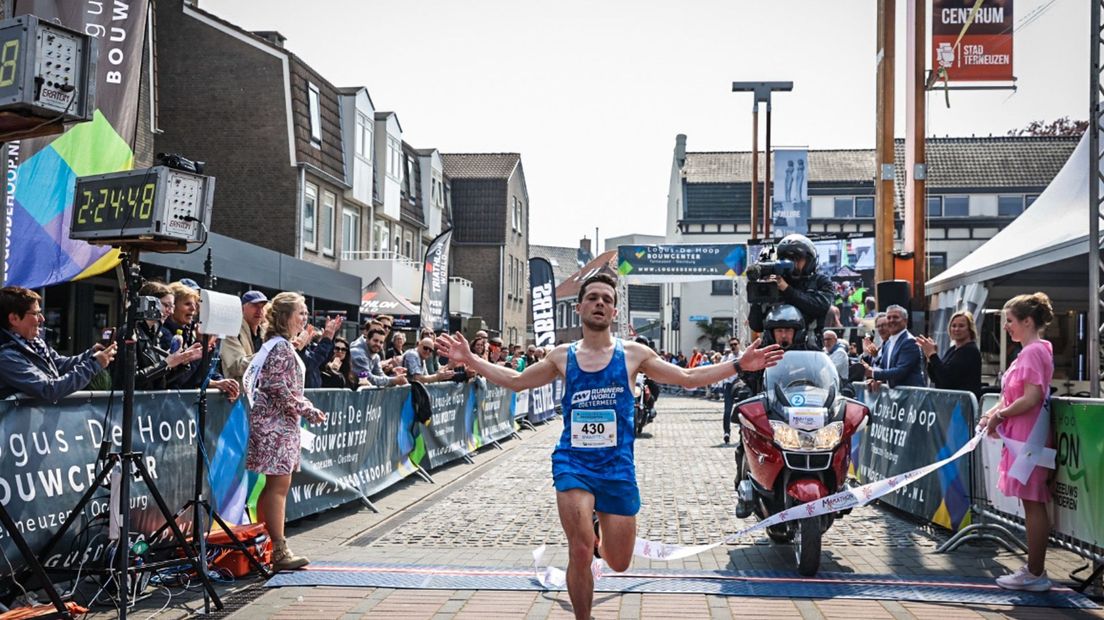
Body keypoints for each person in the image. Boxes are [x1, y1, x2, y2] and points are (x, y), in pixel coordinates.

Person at [436, 273, 783, 620]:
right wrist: (470, 359)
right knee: (581, 550)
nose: (600, 303)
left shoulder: (633, 355)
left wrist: (739, 365)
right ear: (579, 307)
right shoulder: (562, 356)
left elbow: (688, 378)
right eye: (593, 298)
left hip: (617, 467)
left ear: (614, 311)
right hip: (574, 463)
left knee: (618, 562)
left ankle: (599, 524)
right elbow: (515, 382)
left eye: (606, 299)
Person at [243, 292, 327, 571]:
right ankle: (278, 550)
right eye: (300, 313)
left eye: (305, 312)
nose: (305, 317)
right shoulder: (279, 348)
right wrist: (307, 409)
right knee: (278, 487)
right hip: (275, 425)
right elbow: (278, 388)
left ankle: (270, 545)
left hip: (278, 424)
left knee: (274, 486)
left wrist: (302, 407)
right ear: (283, 317)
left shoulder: (278, 345)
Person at [979, 293, 1055, 592]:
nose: (1007, 327)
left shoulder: (1034, 352)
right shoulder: (1029, 351)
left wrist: (1000, 416)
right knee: (1030, 502)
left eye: (1010, 321)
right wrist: (994, 413)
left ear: (1027, 321)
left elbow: (1032, 397)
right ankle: (1033, 569)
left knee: (1034, 503)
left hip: (1029, 436)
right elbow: (1013, 396)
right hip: (1021, 436)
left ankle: (1035, 571)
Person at [0, 286, 118, 400]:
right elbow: (49, 389)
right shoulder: (6, 357)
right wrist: (94, 365)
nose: (42, 319)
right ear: (14, 319)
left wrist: (91, 354)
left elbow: (60, 365)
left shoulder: (36, 343)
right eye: (35, 314)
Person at [747, 234, 833, 348]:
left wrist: (787, 289)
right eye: (786, 258)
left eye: (798, 258)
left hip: (809, 351)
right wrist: (760, 294)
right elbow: (756, 325)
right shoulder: (773, 282)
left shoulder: (820, 281)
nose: (793, 263)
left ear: (809, 260)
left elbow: (821, 307)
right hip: (773, 353)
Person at [134, 281, 203, 390]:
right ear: (148, 303)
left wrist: (182, 362)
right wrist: (167, 364)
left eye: (172, 306)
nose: (170, 311)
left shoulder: (155, 334)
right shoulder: (131, 333)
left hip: (149, 403)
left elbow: (161, 381)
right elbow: (130, 380)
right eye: (166, 305)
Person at [916, 310, 982, 397]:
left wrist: (932, 354)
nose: (956, 329)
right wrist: (929, 356)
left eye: (961, 326)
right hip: (948, 402)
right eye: (953, 326)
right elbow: (935, 377)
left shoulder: (970, 351)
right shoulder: (952, 350)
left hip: (962, 403)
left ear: (970, 329)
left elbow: (946, 378)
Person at [863, 304, 924, 389]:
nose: (891, 320)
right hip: (895, 399)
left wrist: (872, 372)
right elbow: (883, 368)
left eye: (895, 317)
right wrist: (877, 380)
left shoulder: (909, 341)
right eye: (889, 318)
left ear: (905, 321)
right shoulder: (888, 343)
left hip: (911, 398)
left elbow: (901, 372)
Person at [221, 290, 269, 384]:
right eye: (254, 306)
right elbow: (236, 366)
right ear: (242, 309)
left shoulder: (266, 333)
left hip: (260, 394)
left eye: (262, 307)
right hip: (240, 395)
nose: (259, 311)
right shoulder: (232, 331)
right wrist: (267, 354)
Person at [720, 338, 742, 444]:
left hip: (740, 385)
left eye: (735, 344)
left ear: (739, 344)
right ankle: (726, 433)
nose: (733, 347)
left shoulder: (743, 356)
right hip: (729, 385)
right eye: (731, 345)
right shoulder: (727, 358)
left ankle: (743, 432)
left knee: (742, 410)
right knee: (727, 411)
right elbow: (721, 369)